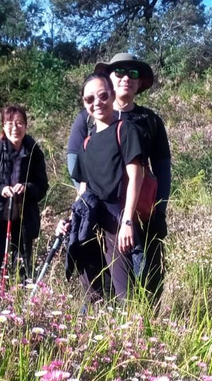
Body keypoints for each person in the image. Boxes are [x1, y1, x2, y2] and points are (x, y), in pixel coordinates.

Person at [66, 54, 171, 299]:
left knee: (147, 278)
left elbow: (161, 170)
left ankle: (143, 328)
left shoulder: (149, 121)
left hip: (142, 214)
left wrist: (160, 211)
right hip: (104, 215)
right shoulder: (87, 121)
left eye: (133, 73)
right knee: (101, 280)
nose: (126, 78)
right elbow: (80, 172)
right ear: (109, 79)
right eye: (120, 72)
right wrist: (85, 211)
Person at [60, 73, 147, 302]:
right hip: (90, 222)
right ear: (84, 103)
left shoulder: (125, 130)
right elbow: (84, 189)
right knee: (93, 292)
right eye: (90, 99)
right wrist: (71, 220)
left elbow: (135, 175)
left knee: (124, 293)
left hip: (116, 221)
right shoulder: (86, 143)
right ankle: (101, 335)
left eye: (102, 96)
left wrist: (127, 220)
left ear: (111, 95)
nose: (97, 103)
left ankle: (132, 334)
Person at [0, 105, 49, 277]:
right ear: (3, 126)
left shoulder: (34, 153)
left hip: (23, 220)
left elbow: (42, 185)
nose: (15, 128)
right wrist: (0, 188)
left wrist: (27, 188)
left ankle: (20, 302)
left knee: (22, 270)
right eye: (9, 123)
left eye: (20, 123)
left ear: (26, 126)